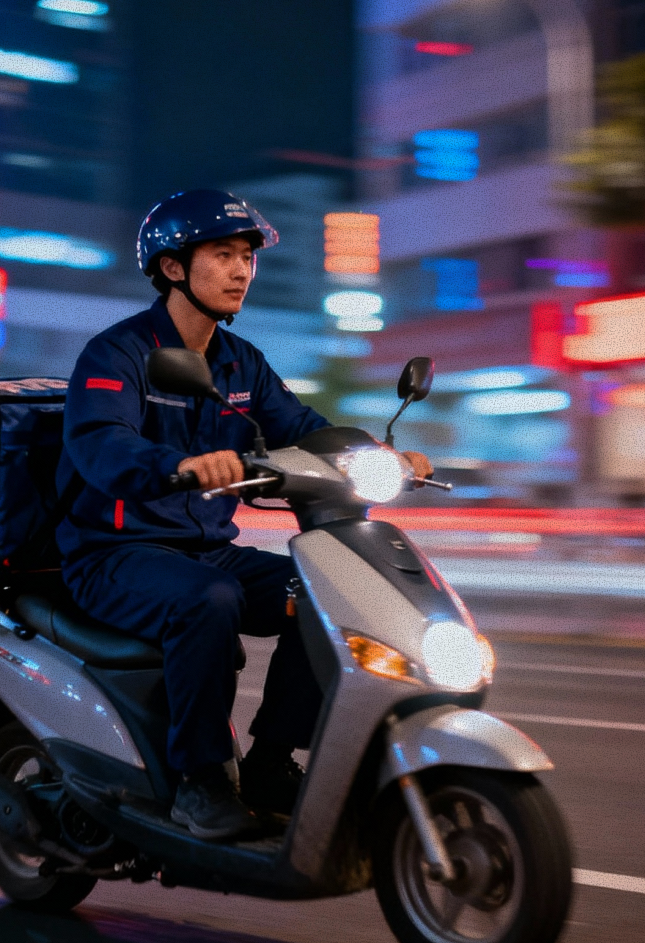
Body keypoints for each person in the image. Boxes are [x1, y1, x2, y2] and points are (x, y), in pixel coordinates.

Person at [56, 189, 433, 840]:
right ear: (173, 268)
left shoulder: (240, 363)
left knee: (322, 594)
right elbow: (101, 445)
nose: (240, 271)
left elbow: (306, 429)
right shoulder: (116, 355)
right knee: (210, 598)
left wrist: (381, 456)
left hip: (201, 547)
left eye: (246, 258)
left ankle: (268, 761)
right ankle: (197, 782)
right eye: (222, 254)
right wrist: (180, 466)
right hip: (114, 555)